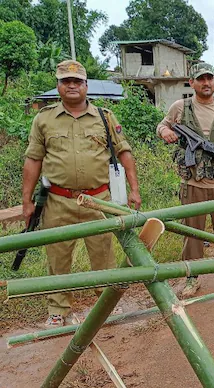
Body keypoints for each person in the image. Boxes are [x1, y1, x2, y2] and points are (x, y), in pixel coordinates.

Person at [23, 60, 141, 327]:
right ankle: (58, 310)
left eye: (77, 81)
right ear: (58, 86)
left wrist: (134, 190)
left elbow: (124, 152)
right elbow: (33, 160)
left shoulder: (105, 117)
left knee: (103, 256)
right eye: (66, 81)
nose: (72, 86)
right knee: (58, 257)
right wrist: (26, 200)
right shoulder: (43, 119)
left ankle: (105, 307)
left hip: (98, 200)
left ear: (86, 85)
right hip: (58, 201)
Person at [158, 63, 214, 298]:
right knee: (193, 232)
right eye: (201, 79)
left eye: (210, 79)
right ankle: (192, 278)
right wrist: (164, 132)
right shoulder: (180, 107)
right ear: (192, 83)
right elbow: (163, 125)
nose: (206, 83)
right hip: (193, 184)